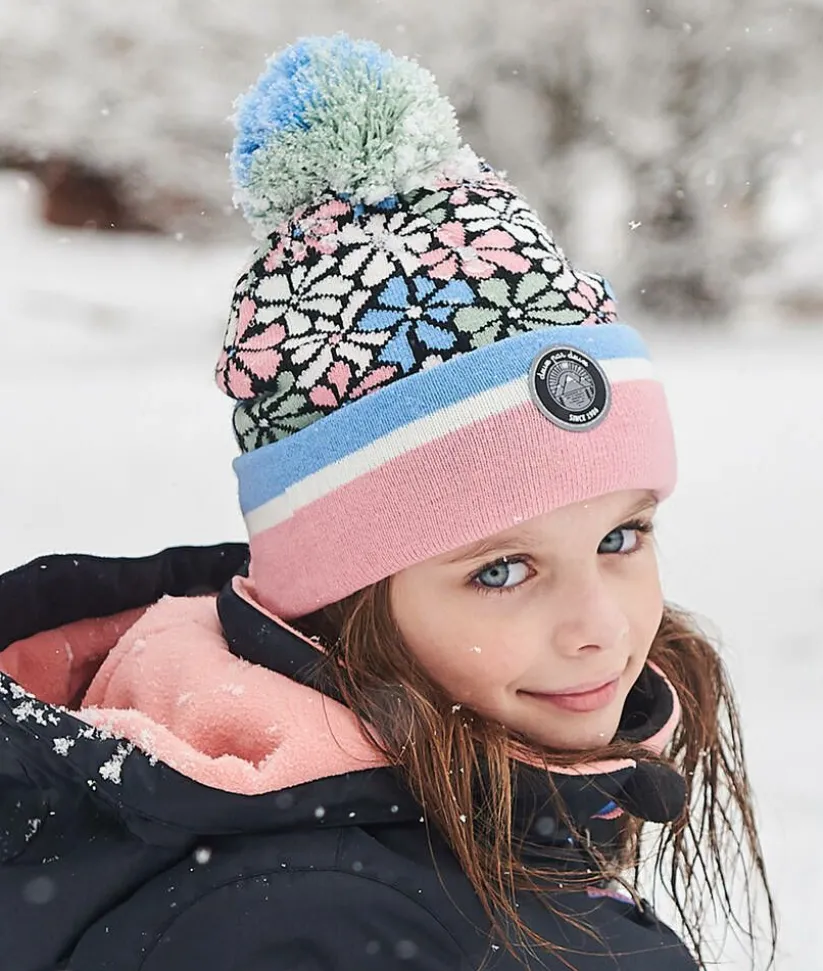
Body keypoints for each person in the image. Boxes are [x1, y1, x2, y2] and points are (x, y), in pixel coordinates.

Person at [0, 35, 775, 971]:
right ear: (344, 594)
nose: (601, 627)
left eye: (621, 536)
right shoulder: (323, 927)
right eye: (502, 569)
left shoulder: (419, 834)